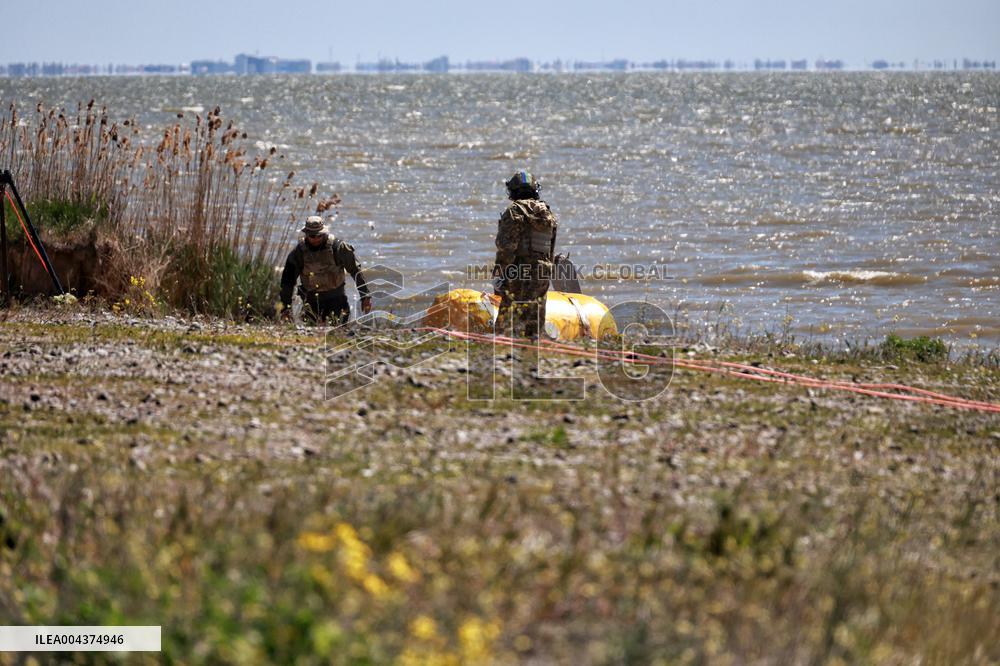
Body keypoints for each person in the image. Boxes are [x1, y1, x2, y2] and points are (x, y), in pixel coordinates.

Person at [493, 171, 558, 338]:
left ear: (513, 191)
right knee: (534, 326)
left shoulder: (514, 211)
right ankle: (531, 357)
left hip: (519, 275)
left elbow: (506, 248)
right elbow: (550, 249)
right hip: (542, 275)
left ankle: (506, 357)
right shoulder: (547, 213)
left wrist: (499, 275)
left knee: (506, 327)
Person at [279, 216, 372, 324]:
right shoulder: (298, 253)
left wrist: (365, 296)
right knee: (311, 337)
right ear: (306, 234)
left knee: (338, 335)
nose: (316, 239)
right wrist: (285, 308)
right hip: (311, 303)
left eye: (319, 235)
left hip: (337, 301)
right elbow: (287, 282)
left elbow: (355, 271)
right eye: (312, 236)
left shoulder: (338, 248)